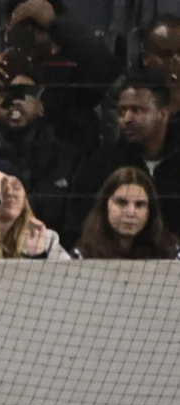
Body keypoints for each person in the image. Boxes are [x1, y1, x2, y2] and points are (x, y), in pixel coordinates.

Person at [0, 0, 122, 156]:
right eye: (24, 26)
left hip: (58, 174)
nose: (31, 35)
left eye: (39, 28)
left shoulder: (73, 72)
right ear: (8, 31)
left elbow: (110, 71)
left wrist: (58, 26)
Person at [66, 72, 180, 248]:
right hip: (112, 262)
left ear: (163, 114)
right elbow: (77, 219)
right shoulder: (102, 163)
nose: (126, 119)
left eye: (137, 110)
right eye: (122, 111)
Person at [0, 74, 82, 234]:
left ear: (40, 107)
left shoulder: (67, 159)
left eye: (25, 92)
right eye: (7, 93)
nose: (15, 100)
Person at [100, 15, 180, 142]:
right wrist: (170, 109)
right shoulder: (120, 93)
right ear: (145, 56)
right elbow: (119, 143)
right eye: (166, 55)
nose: (177, 61)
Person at [73, 166, 180, 259]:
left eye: (139, 204)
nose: (131, 212)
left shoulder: (171, 255)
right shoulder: (81, 257)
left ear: (150, 211)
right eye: (121, 202)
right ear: (104, 205)